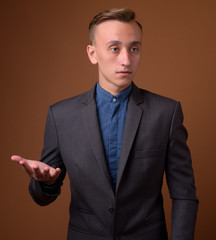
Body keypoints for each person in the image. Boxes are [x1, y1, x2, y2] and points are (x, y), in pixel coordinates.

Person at [11, 8, 198, 240]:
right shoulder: (60, 116)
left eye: (134, 48)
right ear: (92, 53)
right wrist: (46, 183)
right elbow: (42, 197)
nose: (126, 60)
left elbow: (184, 194)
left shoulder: (166, 113)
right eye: (114, 48)